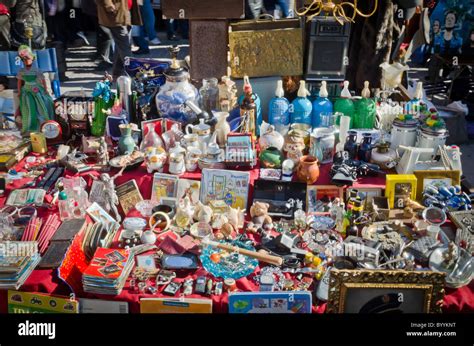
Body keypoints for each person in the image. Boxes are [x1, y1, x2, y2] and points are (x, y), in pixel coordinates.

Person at [96, 0, 142, 79]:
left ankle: (118, 73)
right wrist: (109, 6)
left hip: (126, 11)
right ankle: (133, 74)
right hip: (116, 14)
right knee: (125, 47)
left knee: (121, 46)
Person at [15, 45, 54, 133]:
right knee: (28, 105)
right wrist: (19, 91)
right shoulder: (22, 71)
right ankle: (30, 126)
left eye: (28, 58)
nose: (26, 61)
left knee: (44, 101)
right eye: (24, 59)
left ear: (32, 59)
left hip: (36, 88)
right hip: (26, 90)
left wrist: (45, 89)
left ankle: (45, 123)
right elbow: (19, 81)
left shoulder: (36, 70)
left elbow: (42, 79)